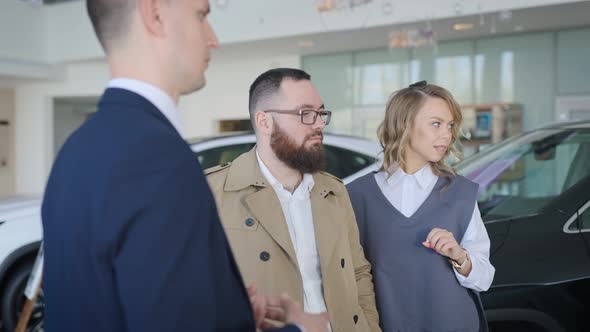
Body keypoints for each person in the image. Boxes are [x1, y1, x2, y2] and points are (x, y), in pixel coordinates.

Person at [41, 1, 327, 331]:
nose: (213, 38)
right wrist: (304, 328)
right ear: (154, 13)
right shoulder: (157, 159)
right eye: (201, 15)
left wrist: (227, 312)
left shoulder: (75, 151)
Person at [205, 68, 381, 332]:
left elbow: (358, 273)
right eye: (306, 114)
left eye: (321, 113)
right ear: (264, 122)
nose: (319, 124)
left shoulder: (334, 191)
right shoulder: (213, 192)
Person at [346, 81, 495, 332]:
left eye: (450, 126)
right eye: (436, 124)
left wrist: (460, 256)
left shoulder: (461, 193)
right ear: (404, 124)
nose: (447, 135)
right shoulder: (356, 195)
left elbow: (485, 278)